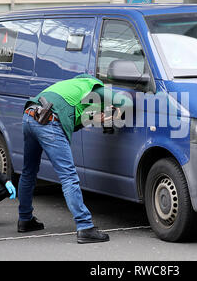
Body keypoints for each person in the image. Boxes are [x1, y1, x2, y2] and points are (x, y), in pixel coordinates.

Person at [18, 73, 132, 244]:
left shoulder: (70, 88)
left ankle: (25, 220)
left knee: (28, 171)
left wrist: (93, 117)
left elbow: (71, 119)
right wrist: (116, 115)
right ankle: (85, 227)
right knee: (69, 176)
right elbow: (126, 103)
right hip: (48, 120)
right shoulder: (95, 87)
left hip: (29, 116)